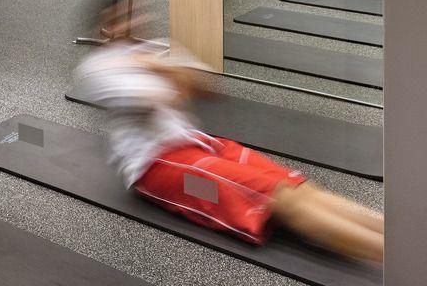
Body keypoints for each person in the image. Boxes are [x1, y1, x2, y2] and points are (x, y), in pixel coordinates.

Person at [75, 36, 384, 262]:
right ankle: (399, 262)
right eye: (123, 19)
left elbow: (204, 88)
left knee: (300, 187)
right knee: (282, 200)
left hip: (202, 143)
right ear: (105, 31)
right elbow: (160, 98)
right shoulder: (98, 67)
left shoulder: (152, 47)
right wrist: (158, 67)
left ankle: (402, 239)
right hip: (159, 167)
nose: (136, 22)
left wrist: (155, 65)